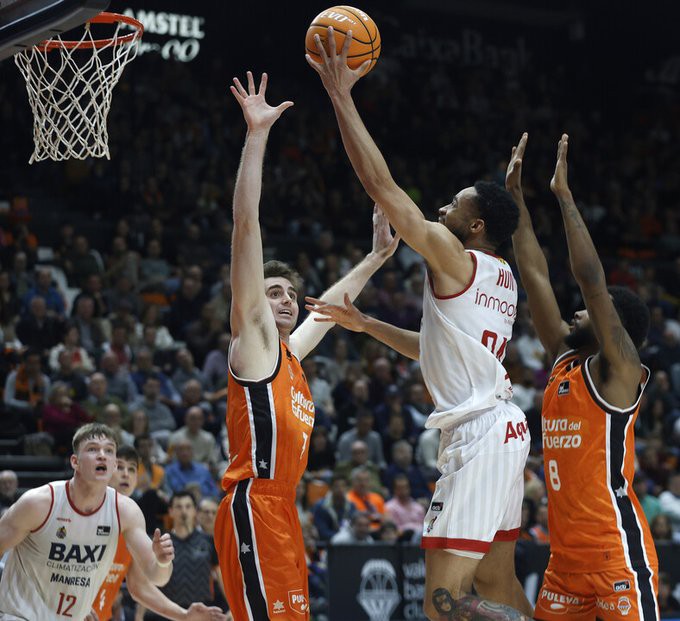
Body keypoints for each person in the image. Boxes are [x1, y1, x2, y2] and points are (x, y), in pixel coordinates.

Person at [307, 34, 531, 619]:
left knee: (443, 603)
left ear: (475, 224)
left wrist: (340, 96)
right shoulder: (498, 274)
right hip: (500, 428)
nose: (440, 211)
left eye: (453, 207)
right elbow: (437, 349)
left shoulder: (454, 257)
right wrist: (364, 323)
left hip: (481, 434)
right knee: (500, 587)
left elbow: (383, 188)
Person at [213, 71, 398, 621]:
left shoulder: (288, 356)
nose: (287, 300)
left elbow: (332, 310)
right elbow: (247, 227)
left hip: (284, 509)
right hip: (254, 503)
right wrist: (256, 136)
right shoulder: (253, 344)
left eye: (291, 294)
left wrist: (376, 258)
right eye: (273, 292)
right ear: (252, 302)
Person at [508, 133, 659, 618]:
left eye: (594, 311)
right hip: (565, 563)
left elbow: (591, 280)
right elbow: (533, 270)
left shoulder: (622, 371)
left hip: (616, 554)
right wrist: (515, 202)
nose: (578, 312)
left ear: (615, 327)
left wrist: (565, 197)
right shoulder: (562, 359)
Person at [0, 423, 175, 619]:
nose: (102, 455)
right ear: (75, 461)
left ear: (113, 465)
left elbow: (157, 577)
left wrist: (162, 562)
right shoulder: (39, 503)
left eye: (109, 451)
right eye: (92, 449)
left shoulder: (126, 512)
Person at [93, 445, 227, 621]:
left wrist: (184, 615)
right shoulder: (86, 513)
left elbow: (140, 587)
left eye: (132, 469)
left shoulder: (132, 527)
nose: (126, 474)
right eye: (119, 467)